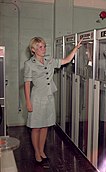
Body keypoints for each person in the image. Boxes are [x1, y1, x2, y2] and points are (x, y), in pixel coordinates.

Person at [24, 37, 82, 165]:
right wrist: (28, 102)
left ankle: (42, 150)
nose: (43, 49)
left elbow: (66, 60)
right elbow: (27, 84)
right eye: (40, 47)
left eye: (44, 46)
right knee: (36, 127)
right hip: (37, 98)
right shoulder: (29, 64)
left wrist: (75, 49)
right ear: (33, 49)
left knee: (45, 125)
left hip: (49, 97)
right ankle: (36, 151)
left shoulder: (50, 61)